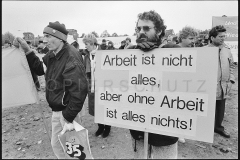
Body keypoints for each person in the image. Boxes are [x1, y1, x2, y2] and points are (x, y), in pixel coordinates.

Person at [13, 21, 88, 159]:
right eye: (44, 36)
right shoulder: (52, 54)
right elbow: (40, 69)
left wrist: (68, 116)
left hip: (68, 113)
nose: (44, 40)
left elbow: (80, 90)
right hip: (56, 111)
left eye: (48, 36)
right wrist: (28, 50)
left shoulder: (71, 56)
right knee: (56, 145)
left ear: (60, 38)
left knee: (76, 153)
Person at [128, 10, 180, 159]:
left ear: (159, 31)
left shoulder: (174, 52)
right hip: (138, 130)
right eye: (138, 29)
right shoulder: (130, 54)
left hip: (165, 133)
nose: (141, 32)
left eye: (146, 28)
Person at [81, 33, 111, 138]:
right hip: (92, 86)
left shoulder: (104, 54)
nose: (86, 46)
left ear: (93, 43)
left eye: (87, 44)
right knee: (95, 108)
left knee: (104, 106)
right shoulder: (86, 57)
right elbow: (85, 71)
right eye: (85, 44)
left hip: (103, 85)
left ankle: (107, 127)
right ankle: (100, 126)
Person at [208, 25, 235, 138]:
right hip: (208, 87)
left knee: (220, 109)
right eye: (220, 36)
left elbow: (232, 66)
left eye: (224, 36)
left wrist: (231, 80)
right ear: (212, 37)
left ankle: (218, 128)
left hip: (223, 86)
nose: (222, 38)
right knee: (208, 109)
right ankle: (206, 129)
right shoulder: (205, 51)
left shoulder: (227, 51)